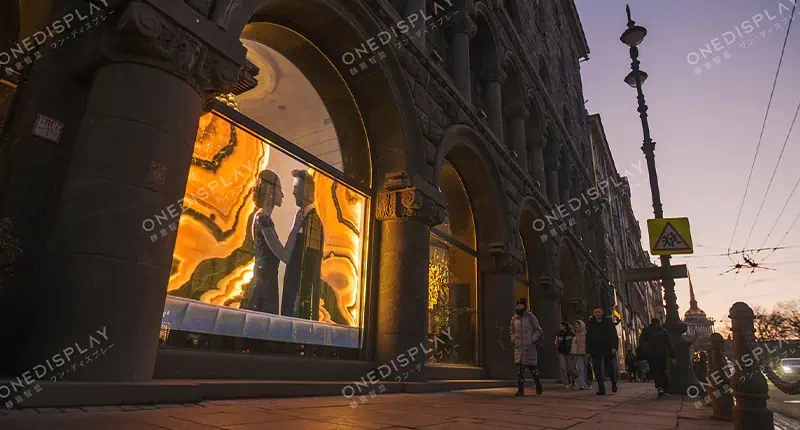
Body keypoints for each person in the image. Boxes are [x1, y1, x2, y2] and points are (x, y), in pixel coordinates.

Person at [242, 170, 300, 314]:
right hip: (264, 291)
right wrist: (296, 226)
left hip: (263, 286)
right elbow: (284, 256)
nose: (282, 194)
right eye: (279, 188)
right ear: (270, 190)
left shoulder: (259, 216)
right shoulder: (263, 219)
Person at [282, 169, 324, 320]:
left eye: (296, 188)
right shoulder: (301, 216)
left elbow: (311, 262)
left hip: (299, 296)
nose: (293, 192)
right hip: (293, 290)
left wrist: (303, 298)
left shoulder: (314, 220)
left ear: (306, 191)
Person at [510, 298, 543, 396]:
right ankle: (520, 390)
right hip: (518, 347)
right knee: (519, 370)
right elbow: (511, 331)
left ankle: (538, 384)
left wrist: (533, 339)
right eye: (518, 304)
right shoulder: (514, 319)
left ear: (525, 306)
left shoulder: (530, 317)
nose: (519, 306)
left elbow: (538, 330)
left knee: (533, 368)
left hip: (529, 347)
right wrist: (513, 339)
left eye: (521, 304)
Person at [638, 318, 676, 397]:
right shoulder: (664, 331)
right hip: (662, 354)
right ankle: (665, 387)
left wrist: (645, 348)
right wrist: (673, 356)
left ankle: (659, 386)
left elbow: (641, 341)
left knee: (655, 370)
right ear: (659, 323)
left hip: (651, 354)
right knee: (662, 370)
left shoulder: (646, 330)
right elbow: (670, 344)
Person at [586, 306, 619, 395]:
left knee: (610, 368)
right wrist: (588, 350)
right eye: (595, 312)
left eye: (599, 312)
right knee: (597, 369)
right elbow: (588, 337)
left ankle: (613, 383)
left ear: (602, 312)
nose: (597, 314)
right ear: (593, 313)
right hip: (595, 349)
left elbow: (614, 335)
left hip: (607, 348)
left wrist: (614, 347)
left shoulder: (608, 322)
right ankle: (601, 388)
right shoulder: (591, 323)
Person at [555, 321, 576, 389]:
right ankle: (566, 383)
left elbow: (574, 344)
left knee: (571, 368)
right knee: (563, 367)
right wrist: (557, 348)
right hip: (561, 352)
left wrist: (573, 351)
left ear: (565, 326)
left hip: (569, 353)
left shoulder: (571, 334)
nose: (560, 327)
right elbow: (556, 342)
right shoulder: (559, 334)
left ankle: (573, 380)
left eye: (561, 326)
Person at [571, 318, 588, 390]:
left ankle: (587, 382)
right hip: (578, 354)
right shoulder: (574, 335)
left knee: (586, 369)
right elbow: (573, 346)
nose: (576, 327)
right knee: (580, 369)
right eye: (575, 326)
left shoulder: (586, 334)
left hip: (586, 353)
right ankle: (582, 383)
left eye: (577, 325)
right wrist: (573, 352)